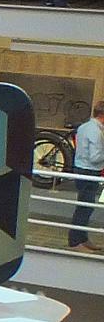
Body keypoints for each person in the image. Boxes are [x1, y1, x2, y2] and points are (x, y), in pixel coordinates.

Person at [69, 102, 104, 251]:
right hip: (90, 172)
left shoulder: (84, 127)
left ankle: (82, 238)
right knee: (85, 207)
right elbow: (95, 157)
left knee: (84, 206)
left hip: (80, 168)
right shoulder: (96, 132)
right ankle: (75, 241)